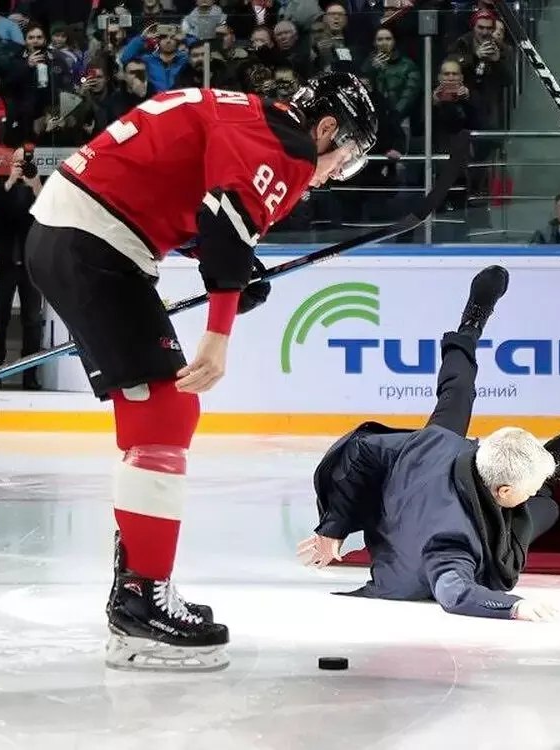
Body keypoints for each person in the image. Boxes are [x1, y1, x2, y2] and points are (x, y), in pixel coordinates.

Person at [24, 73, 378, 672]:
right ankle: (141, 604)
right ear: (326, 128)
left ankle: (139, 590)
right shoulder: (291, 147)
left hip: (81, 232)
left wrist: (230, 267)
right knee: (164, 413)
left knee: (158, 413)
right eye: (343, 159)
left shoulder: (252, 117)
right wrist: (218, 333)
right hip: (95, 242)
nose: (332, 174)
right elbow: (226, 219)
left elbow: (191, 196)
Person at [297, 266, 560, 621]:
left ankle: (470, 326)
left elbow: (359, 450)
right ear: (504, 491)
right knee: (544, 510)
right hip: (410, 559)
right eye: (529, 485)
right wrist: (515, 606)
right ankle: (547, 476)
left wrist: (334, 525)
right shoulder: (453, 541)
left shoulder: (434, 446)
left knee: (457, 392)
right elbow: (456, 593)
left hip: (423, 482)